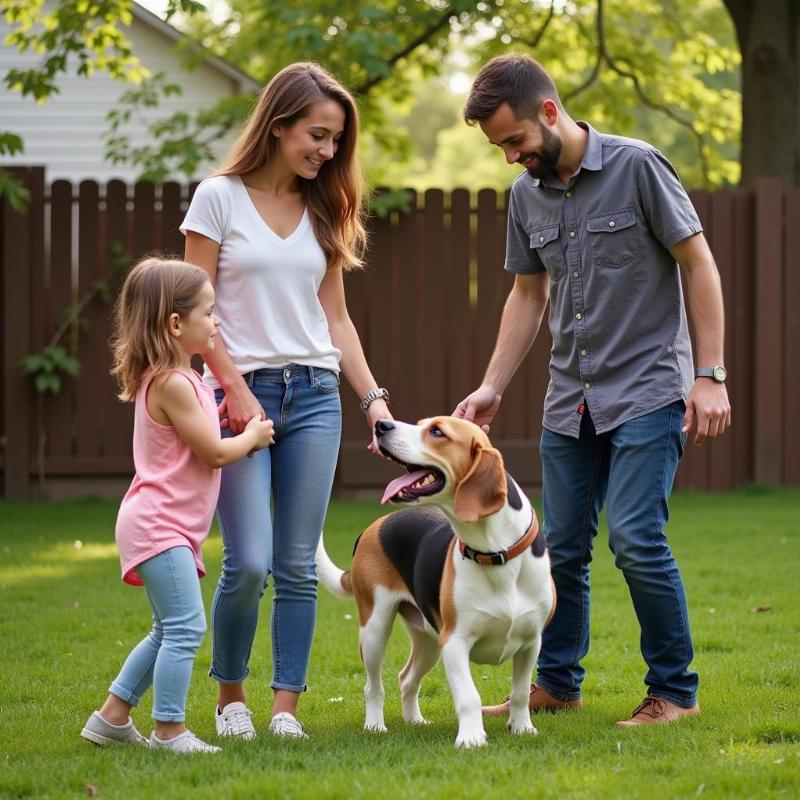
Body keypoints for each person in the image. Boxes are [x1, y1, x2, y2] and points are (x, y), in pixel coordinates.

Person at [454, 54, 731, 728]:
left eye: (514, 141)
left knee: (636, 537)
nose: (511, 157)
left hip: (648, 388)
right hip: (569, 398)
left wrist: (710, 373)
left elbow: (698, 263)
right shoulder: (527, 197)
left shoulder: (638, 167)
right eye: (500, 148)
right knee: (563, 547)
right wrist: (493, 384)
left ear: (548, 112)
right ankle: (558, 683)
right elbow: (527, 294)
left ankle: (674, 692)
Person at [181, 62, 391, 740]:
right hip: (242, 397)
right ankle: (230, 698)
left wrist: (373, 402)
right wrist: (235, 390)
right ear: (278, 126)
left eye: (335, 142)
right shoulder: (217, 198)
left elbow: (337, 321)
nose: (328, 153)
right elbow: (193, 311)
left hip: (317, 395)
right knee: (248, 562)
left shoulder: (325, 209)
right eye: (317, 136)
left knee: (299, 563)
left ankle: (284, 711)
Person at [80, 258, 275, 753]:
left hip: (159, 524)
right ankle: (169, 730)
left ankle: (112, 717)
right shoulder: (174, 383)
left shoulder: (174, 380)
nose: (216, 323)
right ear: (175, 323)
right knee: (186, 627)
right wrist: (251, 436)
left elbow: (202, 442)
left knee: (167, 628)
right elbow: (213, 453)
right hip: (158, 524)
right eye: (209, 313)